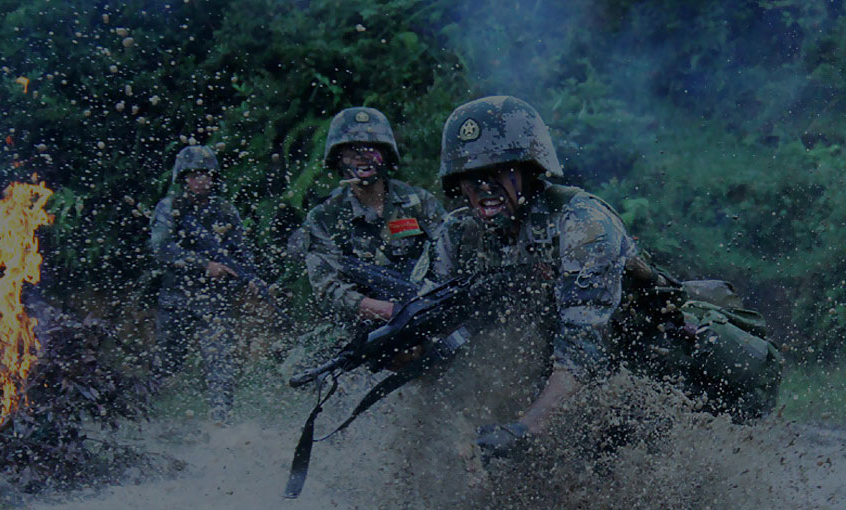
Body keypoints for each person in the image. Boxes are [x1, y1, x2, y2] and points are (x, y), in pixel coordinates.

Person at [432, 96, 782, 461]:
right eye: (470, 177)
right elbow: (426, 316)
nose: (484, 187)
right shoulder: (458, 235)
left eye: (497, 171)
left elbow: (581, 350)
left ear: (528, 170)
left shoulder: (582, 224)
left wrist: (525, 429)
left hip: (653, 373)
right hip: (575, 375)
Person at [149, 145, 263, 422]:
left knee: (220, 361)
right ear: (183, 178)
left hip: (214, 300)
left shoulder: (224, 210)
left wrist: (251, 278)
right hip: (176, 297)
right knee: (168, 362)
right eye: (194, 175)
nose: (201, 180)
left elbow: (241, 252)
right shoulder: (170, 207)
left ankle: (221, 419)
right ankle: (152, 416)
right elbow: (161, 248)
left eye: (206, 175)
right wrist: (203, 265)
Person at [303, 107, 446, 324]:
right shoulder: (324, 218)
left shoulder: (418, 202)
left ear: (385, 154)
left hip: (428, 308)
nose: (362, 156)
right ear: (338, 158)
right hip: (360, 326)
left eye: (371, 148)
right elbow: (329, 292)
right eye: (352, 150)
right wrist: (394, 311)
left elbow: (450, 252)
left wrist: (430, 300)